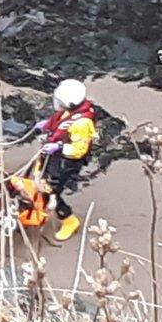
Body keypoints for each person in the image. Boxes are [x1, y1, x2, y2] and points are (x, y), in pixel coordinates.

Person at [33, 79, 97, 241]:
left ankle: (69, 220)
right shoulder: (70, 113)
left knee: (50, 189)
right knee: (39, 177)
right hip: (55, 156)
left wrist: (59, 147)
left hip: (67, 162)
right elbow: (60, 122)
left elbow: (79, 150)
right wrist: (46, 125)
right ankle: (40, 207)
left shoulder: (82, 123)